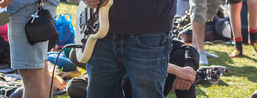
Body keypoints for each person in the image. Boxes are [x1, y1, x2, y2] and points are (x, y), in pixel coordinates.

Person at [67, 39, 199, 98]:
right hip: (115, 78)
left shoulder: (155, 35)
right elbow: (128, 62)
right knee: (75, 83)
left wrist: (188, 70)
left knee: (182, 58)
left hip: (147, 83)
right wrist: (176, 70)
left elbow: (189, 49)